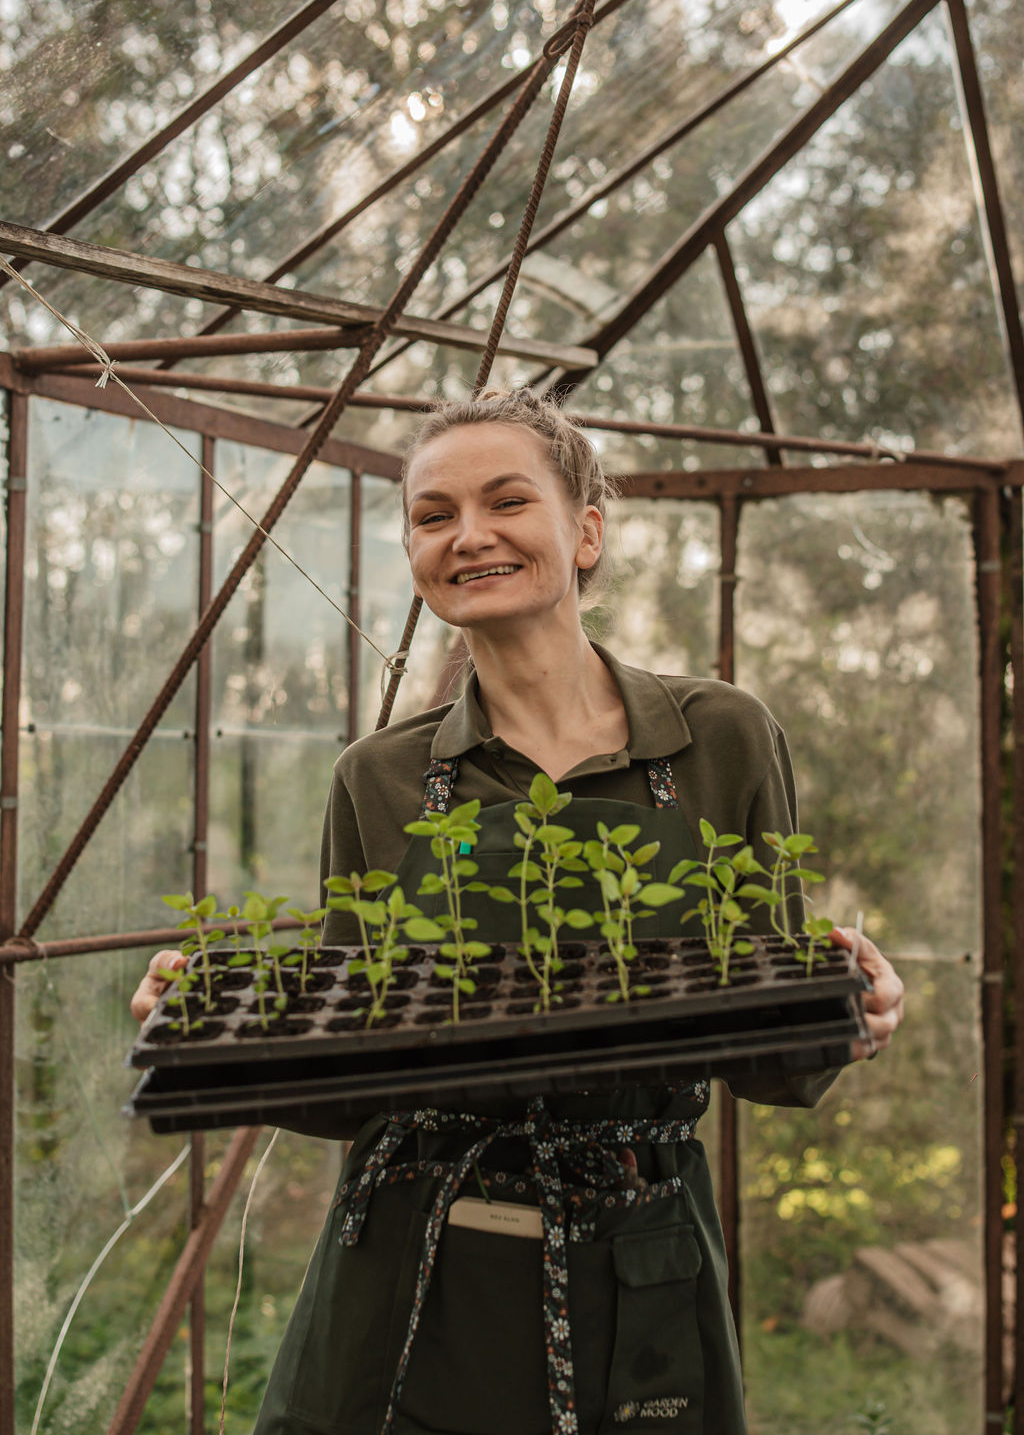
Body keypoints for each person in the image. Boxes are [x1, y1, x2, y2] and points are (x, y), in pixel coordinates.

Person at [132, 389, 904, 1435]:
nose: (469, 536)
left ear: (585, 530)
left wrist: (845, 1013)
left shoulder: (717, 735)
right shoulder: (381, 777)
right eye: (432, 514)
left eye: (506, 501)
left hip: (637, 1245)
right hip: (410, 1258)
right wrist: (223, 1026)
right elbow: (363, 1067)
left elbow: (774, 1059)